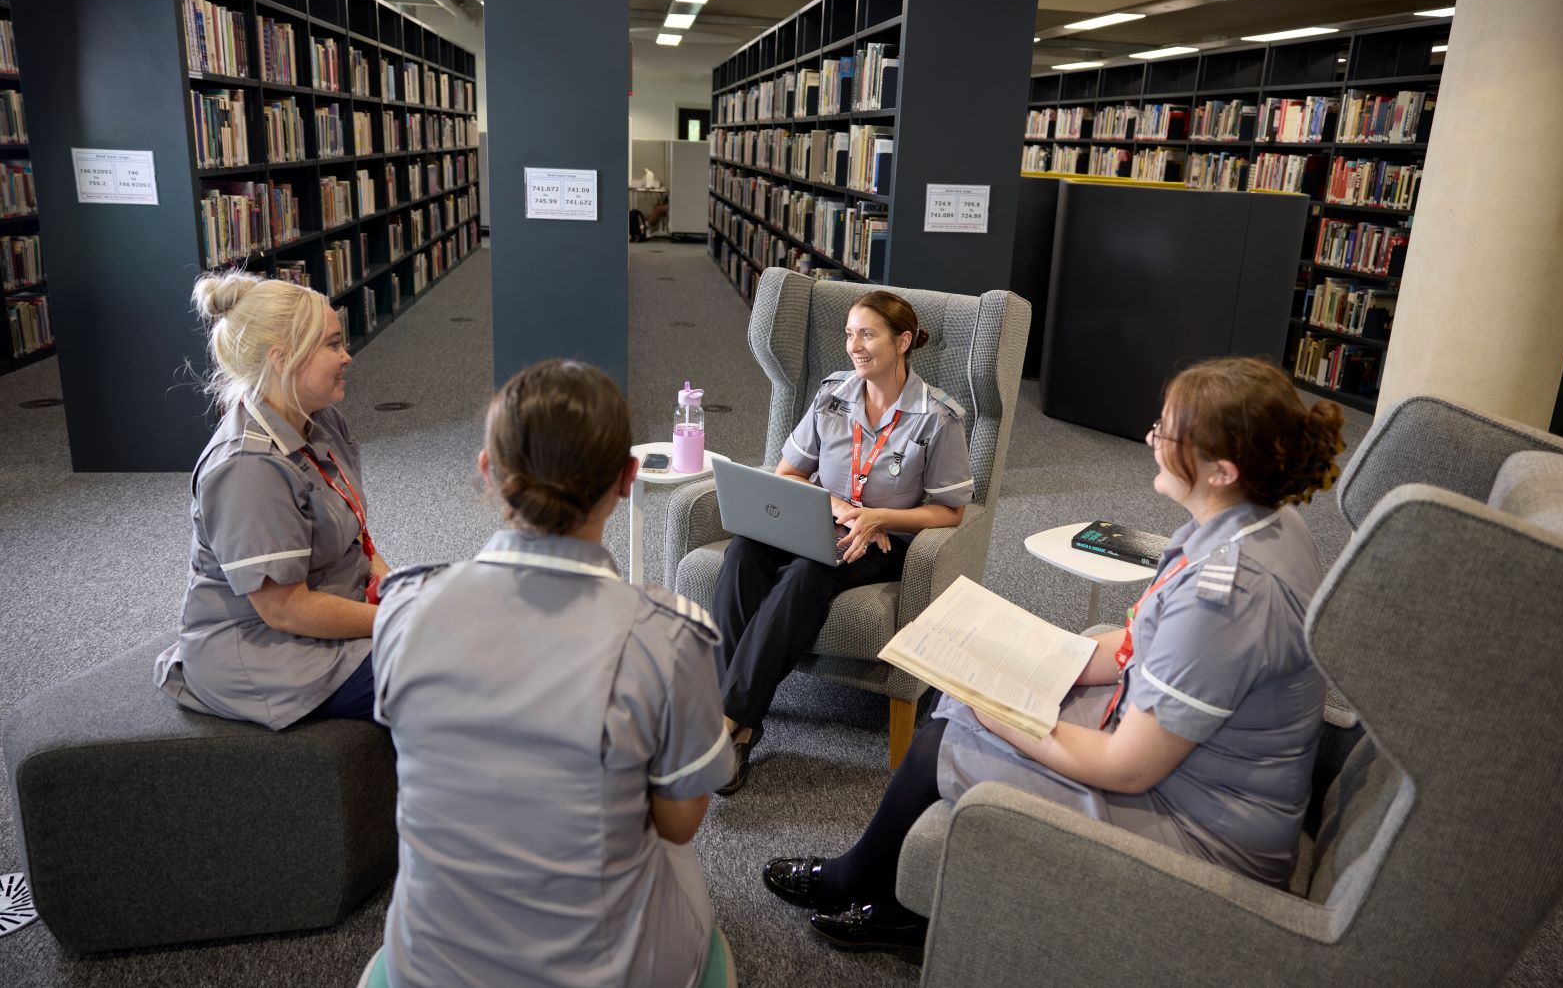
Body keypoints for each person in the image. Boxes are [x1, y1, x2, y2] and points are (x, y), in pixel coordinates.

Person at [761, 356, 1345, 961]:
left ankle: (872, 891)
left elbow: (1127, 768)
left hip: (1202, 827)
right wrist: (1023, 654)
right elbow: (1134, 643)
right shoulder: (1256, 521)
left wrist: (1004, 711)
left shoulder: (1225, 598)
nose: (1150, 440)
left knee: (950, 736)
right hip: (1194, 771)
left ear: (1222, 470)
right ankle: (896, 893)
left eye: (1167, 433)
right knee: (958, 692)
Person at [367, 360, 736, 988]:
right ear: (627, 479)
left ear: (489, 469)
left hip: (424, 967)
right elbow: (678, 824)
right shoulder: (667, 637)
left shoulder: (404, 609)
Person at [712, 290, 975, 794]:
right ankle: (736, 726)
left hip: (883, 542)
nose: (854, 345)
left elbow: (951, 511)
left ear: (902, 342)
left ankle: (724, 725)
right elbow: (789, 472)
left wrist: (877, 517)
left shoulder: (939, 417)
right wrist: (834, 507)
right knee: (744, 551)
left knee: (808, 572)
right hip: (824, 521)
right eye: (849, 333)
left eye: (868, 334)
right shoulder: (832, 395)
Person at [155, 270, 388, 729]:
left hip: (333, 607)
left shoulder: (320, 420)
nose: (347, 357)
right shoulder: (246, 468)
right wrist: (394, 620)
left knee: (466, 619)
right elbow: (283, 608)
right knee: (450, 674)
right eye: (332, 344)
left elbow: (355, 535)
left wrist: (398, 586)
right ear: (282, 359)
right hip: (273, 657)